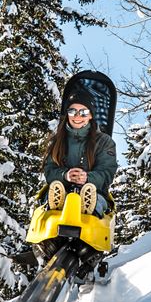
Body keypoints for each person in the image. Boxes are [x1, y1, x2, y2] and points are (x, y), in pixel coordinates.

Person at [43, 87, 118, 217]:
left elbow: (106, 173)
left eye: (83, 112)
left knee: (96, 201)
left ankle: (88, 207)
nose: (77, 116)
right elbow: (49, 169)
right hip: (62, 188)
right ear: (67, 114)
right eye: (72, 111)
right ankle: (56, 205)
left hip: (94, 191)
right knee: (53, 200)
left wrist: (87, 178)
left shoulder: (104, 142)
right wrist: (65, 176)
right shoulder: (57, 141)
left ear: (90, 115)